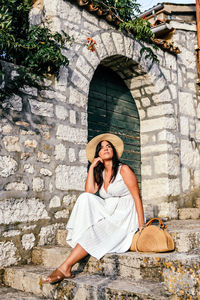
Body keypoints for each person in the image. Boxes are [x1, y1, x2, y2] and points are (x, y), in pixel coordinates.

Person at [43, 133, 145, 284]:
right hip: (109, 209)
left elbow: (137, 197)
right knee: (85, 197)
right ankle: (74, 252)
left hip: (124, 214)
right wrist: (92, 168)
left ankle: (65, 267)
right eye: (102, 148)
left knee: (96, 232)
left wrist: (141, 225)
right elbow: (89, 191)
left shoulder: (124, 169)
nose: (106, 149)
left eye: (109, 146)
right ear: (98, 154)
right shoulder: (101, 173)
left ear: (113, 152)